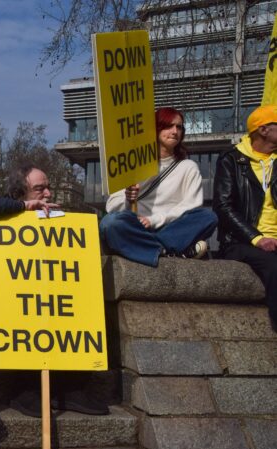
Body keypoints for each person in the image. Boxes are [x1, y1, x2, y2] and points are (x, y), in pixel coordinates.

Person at [0, 165, 109, 417]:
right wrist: (24, 209)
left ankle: (72, 389)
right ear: (19, 193)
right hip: (2, 302)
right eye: (39, 189)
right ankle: (26, 391)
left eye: (48, 187)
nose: (47, 193)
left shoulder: (56, 220)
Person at [99, 107, 217, 266]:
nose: (175, 131)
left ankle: (150, 248)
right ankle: (166, 251)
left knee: (208, 217)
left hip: (169, 229)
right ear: (155, 129)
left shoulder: (188, 167)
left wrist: (154, 220)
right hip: (135, 227)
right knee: (110, 223)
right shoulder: (133, 162)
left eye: (179, 127)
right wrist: (128, 199)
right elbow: (111, 206)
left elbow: (190, 206)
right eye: (169, 126)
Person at [213, 104, 277, 330]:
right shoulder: (232, 159)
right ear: (264, 130)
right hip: (242, 242)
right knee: (273, 265)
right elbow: (223, 206)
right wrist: (258, 238)